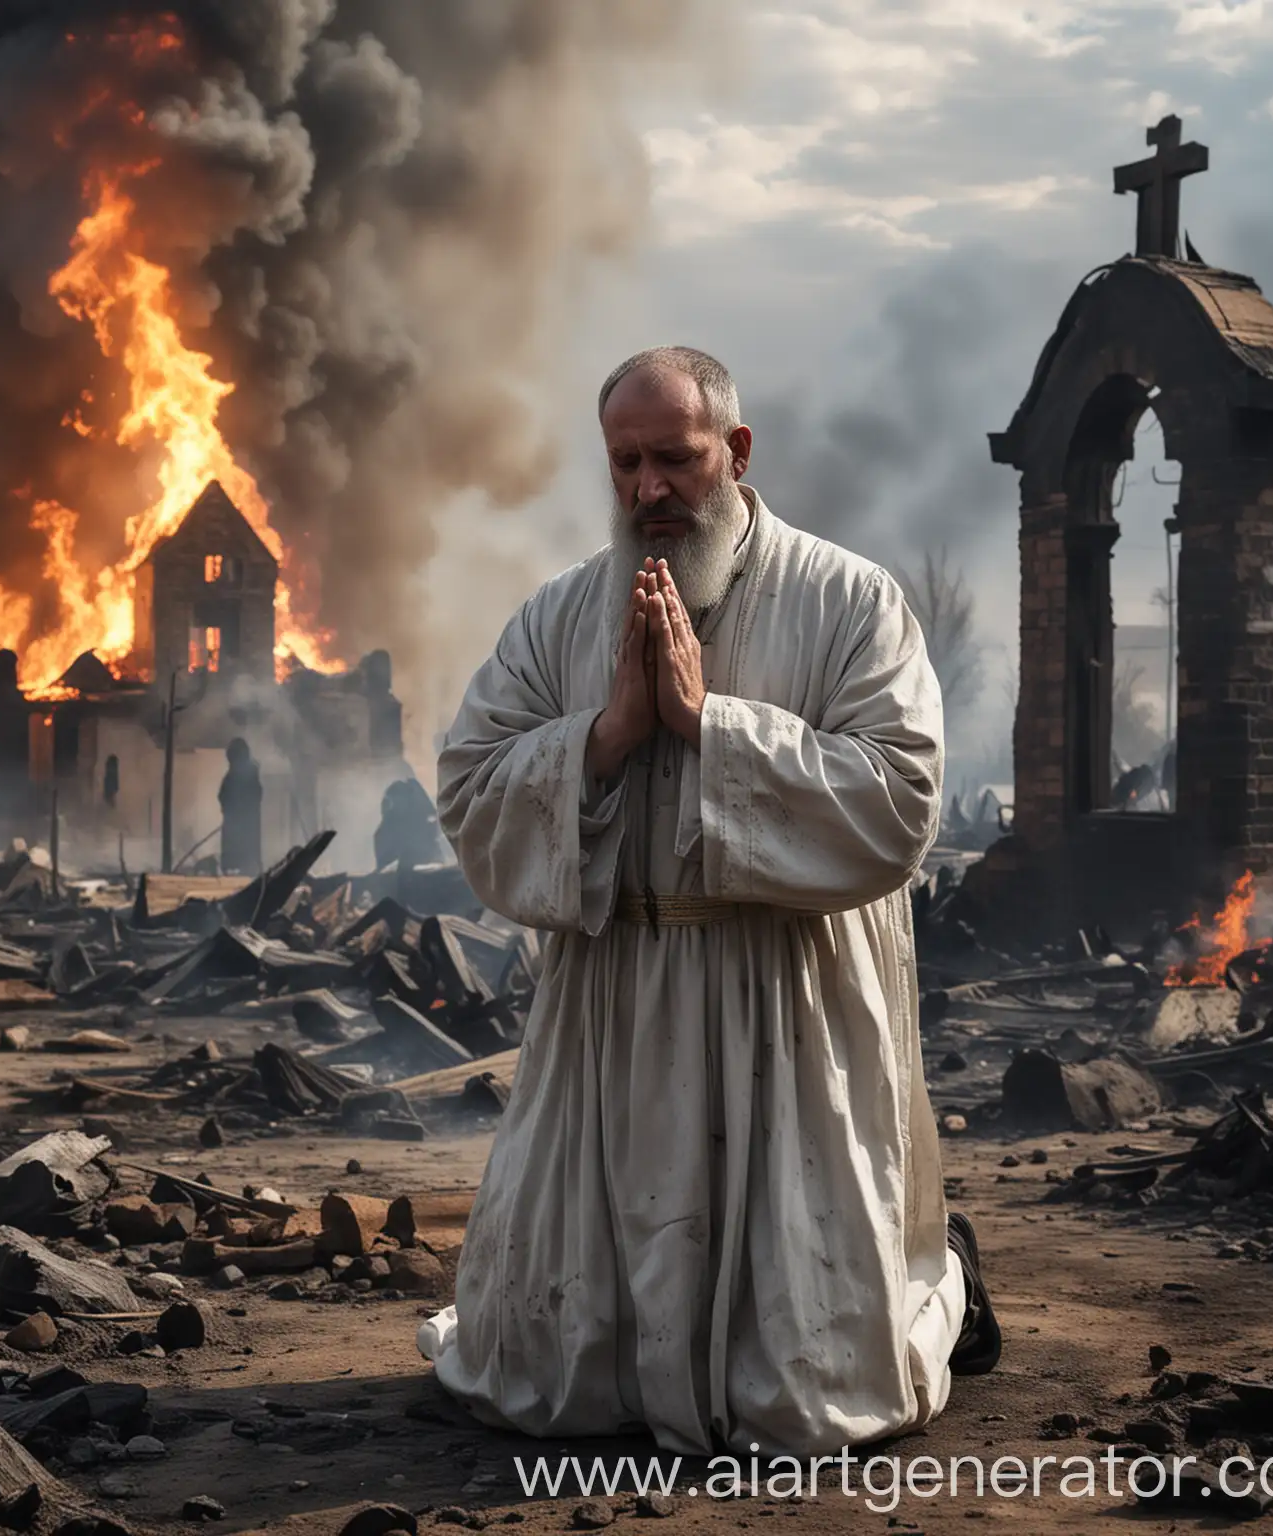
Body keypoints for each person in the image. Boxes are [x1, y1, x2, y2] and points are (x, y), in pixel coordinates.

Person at [418, 346, 999, 1456]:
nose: (648, 490)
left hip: (782, 1009)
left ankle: (945, 1287)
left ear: (734, 452)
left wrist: (707, 724)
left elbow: (902, 796)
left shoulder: (848, 601)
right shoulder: (560, 618)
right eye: (625, 462)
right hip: (614, 1006)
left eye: (675, 460)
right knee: (553, 1382)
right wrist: (605, 737)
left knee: (800, 1389)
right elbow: (474, 782)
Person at [218, 737, 263, 875]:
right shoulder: (239, 774)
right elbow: (223, 795)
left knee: (243, 853)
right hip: (238, 823)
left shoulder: (243, 775)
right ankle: (238, 867)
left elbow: (255, 796)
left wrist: (234, 809)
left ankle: (241, 867)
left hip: (243, 824)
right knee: (241, 853)